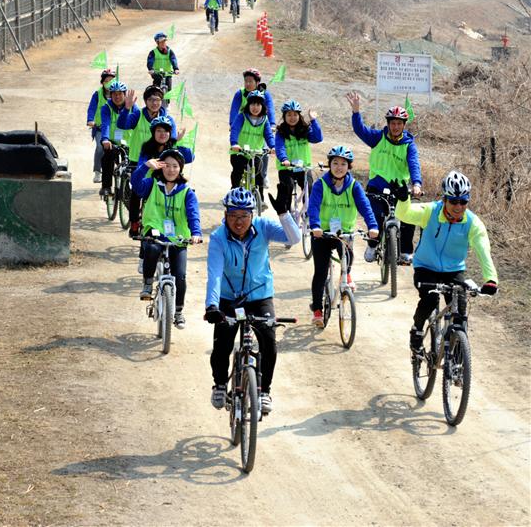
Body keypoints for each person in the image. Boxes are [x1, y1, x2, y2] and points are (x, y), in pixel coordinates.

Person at [204, 187, 301, 413]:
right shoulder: (218, 238)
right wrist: (211, 306)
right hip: (229, 298)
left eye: (244, 216)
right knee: (222, 344)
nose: (239, 221)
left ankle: (264, 391)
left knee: (269, 341)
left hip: (259, 295)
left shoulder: (263, 227)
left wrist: (284, 214)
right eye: (233, 215)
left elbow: (294, 238)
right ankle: (219, 384)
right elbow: (215, 274)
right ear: (225, 215)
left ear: (252, 215)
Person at [389, 171, 498, 351]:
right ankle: (416, 330)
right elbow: (405, 214)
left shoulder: (473, 223)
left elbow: (483, 252)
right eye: (453, 201)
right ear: (445, 199)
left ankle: (456, 355)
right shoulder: (431, 211)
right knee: (430, 300)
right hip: (426, 267)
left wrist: (491, 279)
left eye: (463, 201)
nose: (458, 206)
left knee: (460, 310)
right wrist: (403, 200)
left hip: (453, 270)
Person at [346, 91, 422, 265]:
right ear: (388, 124)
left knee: (407, 219)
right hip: (377, 186)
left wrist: (416, 184)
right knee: (376, 218)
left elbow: (414, 164)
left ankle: (405, 252)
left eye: (399, 123)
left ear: (404, 125)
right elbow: (360, 130)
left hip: (400, 187)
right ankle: (372, 245)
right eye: (393, 123)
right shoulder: (378, 137)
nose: (395, 126)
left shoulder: (409, 145)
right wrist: (356, 112)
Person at [308, 147, 379, 325]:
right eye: (335, 163)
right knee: (321, 272)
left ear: (349, 167)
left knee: (348, 255)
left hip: (344, 234)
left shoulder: (354, 186)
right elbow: (313, 207)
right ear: (329, 164)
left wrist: (373, 226)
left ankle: (345, 276)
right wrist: (315, 226)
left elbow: (365, 207)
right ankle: (317, 310)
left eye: (343, 164)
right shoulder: (320, 184)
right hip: (322, 234)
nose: (339, 167)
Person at [133, 149, 202, 328]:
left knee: (180, 275)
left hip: (178, 237)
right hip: (155, 231)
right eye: (167, 166)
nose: (171, 170)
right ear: (161, 167)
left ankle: (178, 312)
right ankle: (148, 283)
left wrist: (196, 233)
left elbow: (193, 214)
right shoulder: (151, 184)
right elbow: (135, 184)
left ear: (180, 168)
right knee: (152, 249)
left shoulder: (187, 192)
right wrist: (144, 167)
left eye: (175, 166)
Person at [118, 85, 179, 236]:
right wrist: (127, 108)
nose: (154, 103)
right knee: (135, 192)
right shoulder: (138, 115)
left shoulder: (167, 119)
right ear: (145, 101)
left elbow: (173, 139)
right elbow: (122, 125)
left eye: (158, 99)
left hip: (161, 162)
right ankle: (134, 222)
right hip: (137, 159)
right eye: (151, 100)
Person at [273, 100, 323, 212]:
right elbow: (280, 147)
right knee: (287, 188)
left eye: (295, 114)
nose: (292, 117)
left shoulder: (304, 130)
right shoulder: (281, 132)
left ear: (299, 115)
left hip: (303, 168)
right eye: (289, 114)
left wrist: (313, 121)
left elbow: (318, 138)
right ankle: (287, 214)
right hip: (287, 168)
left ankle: (309, 214)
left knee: (310, 189)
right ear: (284, 116)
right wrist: (284, 159)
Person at [229, 91, 275, 201]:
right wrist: (234, 143)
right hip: (240, 152)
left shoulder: (264, 120)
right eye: (253, 104)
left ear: (262, 106)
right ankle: (234, 193)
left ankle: (260, 199)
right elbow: (235, 130)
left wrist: (273, 147)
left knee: (259, 175)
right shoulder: (242, 117)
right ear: (248, 105)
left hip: (256, 153)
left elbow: (269, 135)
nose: (255, 107)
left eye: (258, 104)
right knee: (237, 172)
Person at [98, 80, 129, 196]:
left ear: (124, 95)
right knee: (107, 157)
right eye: (114, 94)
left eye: (120, 94)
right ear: (111, 95)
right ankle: (106, 187)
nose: (117, 96)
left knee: (132, 165)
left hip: (128, 142)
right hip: (111, 141)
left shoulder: (131, 106)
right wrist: (105, 139)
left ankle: (127, 190)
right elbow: (105, 124)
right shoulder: (107, 108)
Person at [86, 69, 116, 183]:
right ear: (102, 82)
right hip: (100, 128)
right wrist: (90, 120)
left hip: (116, 129)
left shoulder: (119, 93)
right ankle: (98, 172)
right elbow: (92, 108)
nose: (109, 83)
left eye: (112, 80)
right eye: (107, 80)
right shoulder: (97, 94)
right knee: (100, 148)